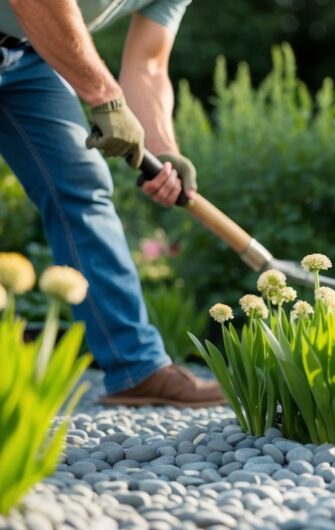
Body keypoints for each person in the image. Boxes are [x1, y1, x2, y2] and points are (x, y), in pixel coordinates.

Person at [0, 0, 225, 407]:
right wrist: (104, 95)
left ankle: (136, 367)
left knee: (82, 185)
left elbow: (148, 65)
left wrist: (164, 153)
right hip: (33, 26)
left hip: (27, 54)